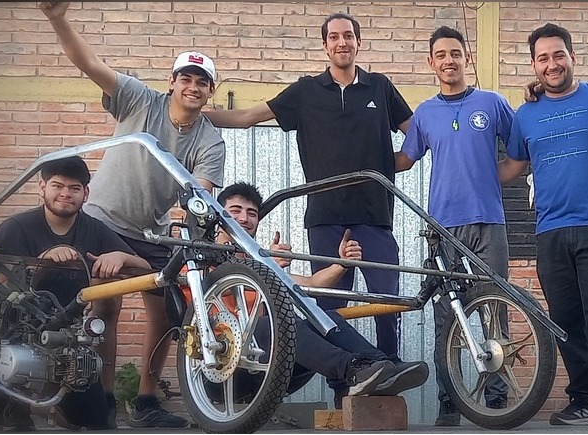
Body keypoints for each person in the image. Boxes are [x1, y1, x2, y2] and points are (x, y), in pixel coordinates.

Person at [203, 12, 413, 407]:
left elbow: (416, 131)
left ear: (358, 42)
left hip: (375, 215)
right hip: (325, 218)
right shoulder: (305, 91)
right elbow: (248, 117)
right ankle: (343, 392)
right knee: (329, 308)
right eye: (334, 37)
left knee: (388, 302)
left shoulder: (380, 87)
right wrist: (199, 114)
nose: (341, 42)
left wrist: (397, 163)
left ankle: (391, 372)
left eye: (348, 36)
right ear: (325, 46)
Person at [39, 2, 225, 428]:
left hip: (152, 233)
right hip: (103, 220)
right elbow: (89, 63)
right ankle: (101, 400)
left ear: (210, 91)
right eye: (186, 78)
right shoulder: (140, 99)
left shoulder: (210, 140)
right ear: (172, 81)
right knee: (106, 306)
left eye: (202, 82)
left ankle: (145, 403)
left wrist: (202, 232)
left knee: (168, 311)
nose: (193, 86)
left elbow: (200, 196)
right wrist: (57, 18)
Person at [499, 23, 588, 427]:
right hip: (550, 231)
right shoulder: (525, 114)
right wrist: (463, 169)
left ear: (573, 57)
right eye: (543, 58)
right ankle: (583, 398)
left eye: (559, 55)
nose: (552, 64)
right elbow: (512, 167)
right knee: (566, 318)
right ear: (534, 65)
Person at [394, 26, 514, 426]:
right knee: (446, 318)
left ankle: (497, 400)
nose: (449, 61)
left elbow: (520, 149)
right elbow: (405, 159)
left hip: (488, 224)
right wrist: (360, 149)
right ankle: (452, 402)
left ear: (466, 58)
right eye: (441, 55)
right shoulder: (425, 113)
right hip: (443, 230)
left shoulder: (492, 103)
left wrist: (493, 177)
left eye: (456, 53)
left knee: (494, 311)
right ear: (431, 62)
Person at [215, 182, 429, 399]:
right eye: (235, 210)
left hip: (268, 367)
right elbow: (218, 287)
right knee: (273, 324)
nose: (244, 218)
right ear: (218, 215)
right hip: (221, 371)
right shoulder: (202, 257)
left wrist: (342, 263)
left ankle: (382, 368)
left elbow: (313, 283)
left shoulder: (258, 262)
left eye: (252, 213)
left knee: (326, 318)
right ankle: (354, 371)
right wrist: (265, 269)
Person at [0, 156, 151, 431]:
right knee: (18, 427)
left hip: (70, 335)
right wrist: (43, 260)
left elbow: (145, 268)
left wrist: (120, 256)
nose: (65, 193)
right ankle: (14, 408)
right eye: (57, 186)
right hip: (20, 326)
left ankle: (72, 401)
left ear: (85, 193)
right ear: (42, 187)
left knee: (95, 421)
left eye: (74, 188)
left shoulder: (94, 228)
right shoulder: (16, 227)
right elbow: (3, 283)